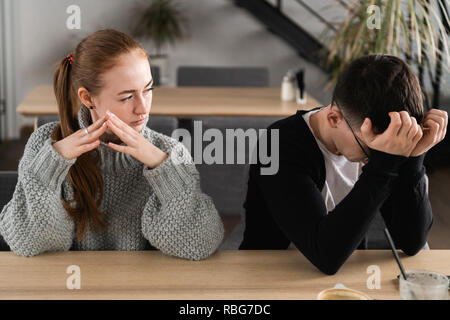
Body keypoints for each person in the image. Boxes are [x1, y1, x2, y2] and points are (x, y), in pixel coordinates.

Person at [0, 29, 224, 260]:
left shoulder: (169, 153)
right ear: (87, 98)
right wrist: (51, 165)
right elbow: (30, 243)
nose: (143, 108)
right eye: (127, 97)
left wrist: (164, 168)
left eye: (148, 90)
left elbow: (200, 245)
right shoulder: (46, 145)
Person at [239, 54, 448, 275]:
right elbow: (326, 256)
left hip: (343, 279)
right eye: (371, 149)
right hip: (267, 277)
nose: (374, 158)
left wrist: (413, 157)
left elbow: (411, 241)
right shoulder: (279, 145)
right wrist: (384, 164)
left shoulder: (385, 145)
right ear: (334, 118)